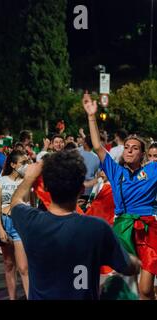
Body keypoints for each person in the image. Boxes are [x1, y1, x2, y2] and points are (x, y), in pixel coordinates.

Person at [8, 150, 141, 300]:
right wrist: (136, 261)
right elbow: (127, 266)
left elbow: (15, 203)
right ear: (82, 189)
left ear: (46, 188)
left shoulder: (30, 222)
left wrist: (29, 177)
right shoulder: (96, 228)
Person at [83, 92, 157, 300]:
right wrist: (91, 116)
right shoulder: (116, 172)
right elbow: (97, 146)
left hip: (148, 230)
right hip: (122, 229)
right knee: (122, 287)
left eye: (135, 148)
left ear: (142, 155)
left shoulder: (153, 170)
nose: (129, 150)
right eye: (127, 147)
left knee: (145, 289)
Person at [0, 150, 29, 299]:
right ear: (13, 165)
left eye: (27, 162)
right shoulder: (1, 181)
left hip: (20, 224)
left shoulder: (26, 181)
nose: (26, 166)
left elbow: (30, 203)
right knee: (8, 265)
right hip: (5, 223)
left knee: (23, 267)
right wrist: (0, 228)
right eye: (23, 163)